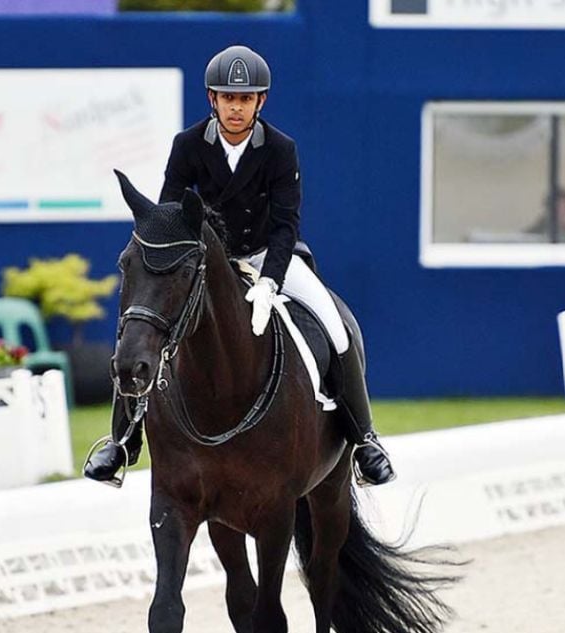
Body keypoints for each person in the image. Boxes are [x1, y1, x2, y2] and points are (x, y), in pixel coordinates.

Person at [84, 45, 395, 487]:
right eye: (228, 98)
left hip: (269, 257)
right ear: (213, 99)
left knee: (336, 326)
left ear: (259, 102)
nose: (236, 107)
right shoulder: (188, 145)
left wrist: (270, 280)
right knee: (141, 326)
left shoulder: (280, 149)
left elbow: (287, 224)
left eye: (245, 99)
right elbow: (172, 212)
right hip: (203, 265)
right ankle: (121, 441)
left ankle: (364, 440)